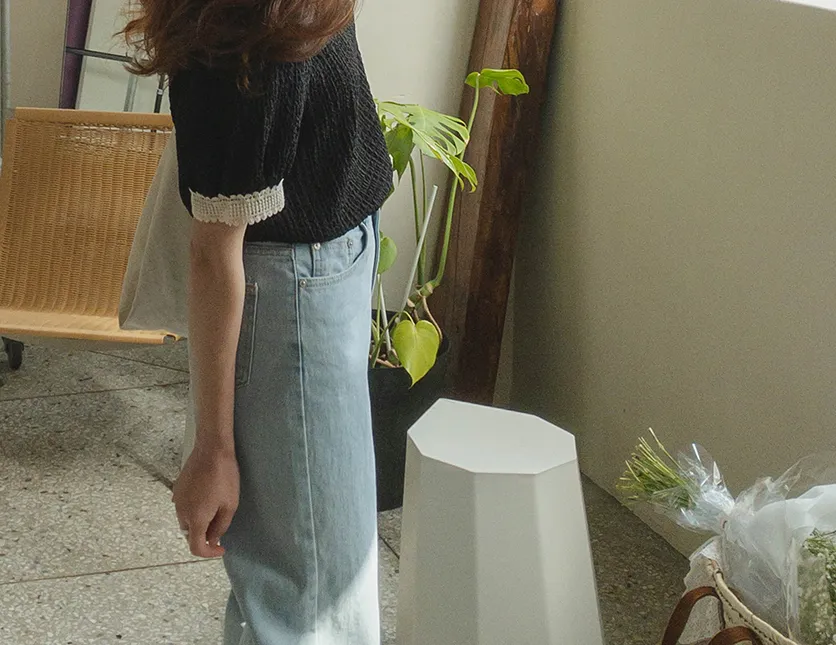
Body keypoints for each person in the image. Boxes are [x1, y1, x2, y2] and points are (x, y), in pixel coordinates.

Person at [124, 2, 393, 643]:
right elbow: (215, 252)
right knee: (313, 596)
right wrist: (213, 448)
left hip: (329, 257)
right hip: (291, 288)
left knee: (315, 573)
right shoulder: (239, 35)